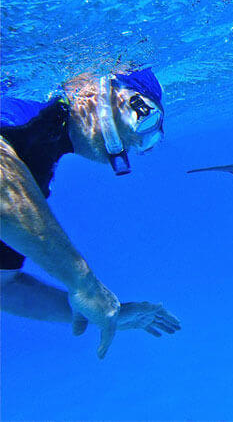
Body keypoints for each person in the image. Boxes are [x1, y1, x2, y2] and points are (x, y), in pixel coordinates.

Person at [0, 68, 180, 359]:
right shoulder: (34, 107)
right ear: (97, 89)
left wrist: (103, 313)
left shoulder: (38, 159)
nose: (135, 142)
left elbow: (4, 287)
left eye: (146, 141)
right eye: (140, 111)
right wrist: (84, 283)